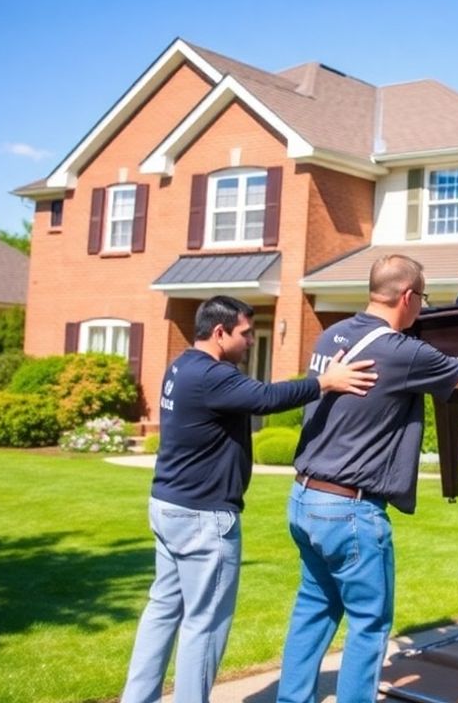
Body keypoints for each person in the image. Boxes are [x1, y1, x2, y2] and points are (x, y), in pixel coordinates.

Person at [275, 254, 458, 703]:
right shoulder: (399, 352)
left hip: (304, 500)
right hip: (350, 510)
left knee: (314, 609)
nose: (422, 309)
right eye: (424, 300)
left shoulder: (331, 333)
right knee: (369, 621)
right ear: (408, 296)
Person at [122, 295, 379, 703]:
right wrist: (325, 382)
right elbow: (267, 398)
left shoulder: (181, 366)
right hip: (203, 518)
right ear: (220, 332)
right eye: (244, 334)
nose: (249, 341)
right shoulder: (213, 376)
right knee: (204, 625)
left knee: (163, 609)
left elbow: (256, 395)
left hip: (168, 506)